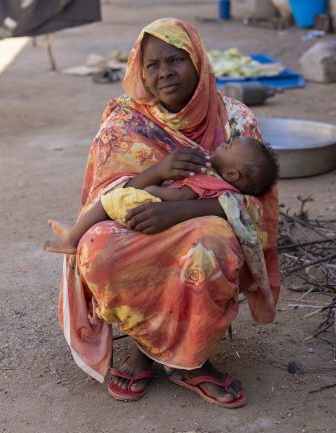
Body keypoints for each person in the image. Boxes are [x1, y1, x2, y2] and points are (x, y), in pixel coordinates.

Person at [57, 17, 280, 409]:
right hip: (133, 221)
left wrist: (179, 213)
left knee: (211, 247)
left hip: (198, 226)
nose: (165, 73)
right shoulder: (124, 121)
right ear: (139, 71)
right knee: (97, 249)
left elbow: (258, 205)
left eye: (176, 60)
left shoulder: (235, 120)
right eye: (153, 65)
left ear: (198, 61)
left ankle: (191, 361)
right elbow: (103, 194)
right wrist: (154, 175)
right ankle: (145, 346)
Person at [43, 136, 278, 255]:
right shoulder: (221, 186)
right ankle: (76, 231)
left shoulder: (210, 182)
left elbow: (181, 198)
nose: (222, 145)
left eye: (227, 148)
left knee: (109, 199)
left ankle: (71, 239)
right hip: (155, 210)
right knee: (111, 201)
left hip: (154, 207)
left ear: (232, 174)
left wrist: (154, 190)